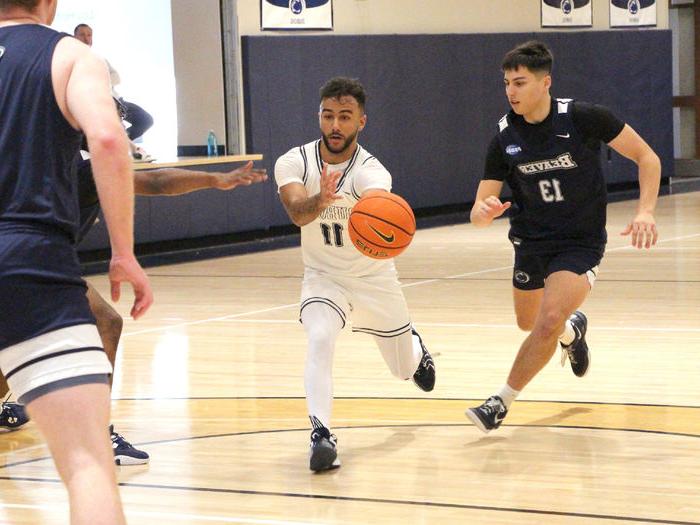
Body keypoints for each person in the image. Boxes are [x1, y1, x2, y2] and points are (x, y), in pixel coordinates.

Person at [1, 155, 267, 463]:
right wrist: (214, 179)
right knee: (106, 322)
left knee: (12, 336)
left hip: (23, 258)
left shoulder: (35, 152)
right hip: (30, 259)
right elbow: (156, 182)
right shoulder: (81, 167)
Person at [0, 1, 153, 523]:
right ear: (49, 3)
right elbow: (109, 139)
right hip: (27, 259)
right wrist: (124, 252)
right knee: (88, 465)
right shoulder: (68, 54)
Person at [465, 40, 661, 433]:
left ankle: (500, 401)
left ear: (545, 82)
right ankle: (574, 331)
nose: (510, 91)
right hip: (531, 242)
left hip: (579, 242)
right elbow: (478, 211)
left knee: (548, 318)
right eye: (506, 83)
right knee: (531, 322)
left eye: (519, 82)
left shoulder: (585, 119)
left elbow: (647, 157)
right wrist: (484, 212)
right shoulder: (504, 138)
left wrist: (645, 211)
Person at [274, 77, 436, 472]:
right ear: (319, 116)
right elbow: (297, 213)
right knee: (319, 335)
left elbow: (380, 198)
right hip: (323, 277)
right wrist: (320, 199)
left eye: (344, 117)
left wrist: (376, 205)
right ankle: (322, 434)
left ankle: (414, 347)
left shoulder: (371, 170)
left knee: (402, 371)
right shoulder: (294, 161)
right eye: (328, 116)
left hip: (374, 280)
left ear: (361, 122)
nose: (335, 125)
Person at [73, 23, 154, 159]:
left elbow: (116, 77)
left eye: (89, 35)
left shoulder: (99, 58)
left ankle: (119, 146)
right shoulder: (72, 59)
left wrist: (103, 81)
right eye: (82, 35)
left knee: (145, 119)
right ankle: (124, 149)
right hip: (96, 106)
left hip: (117, 100)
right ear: (75, 37)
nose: (86, 38)